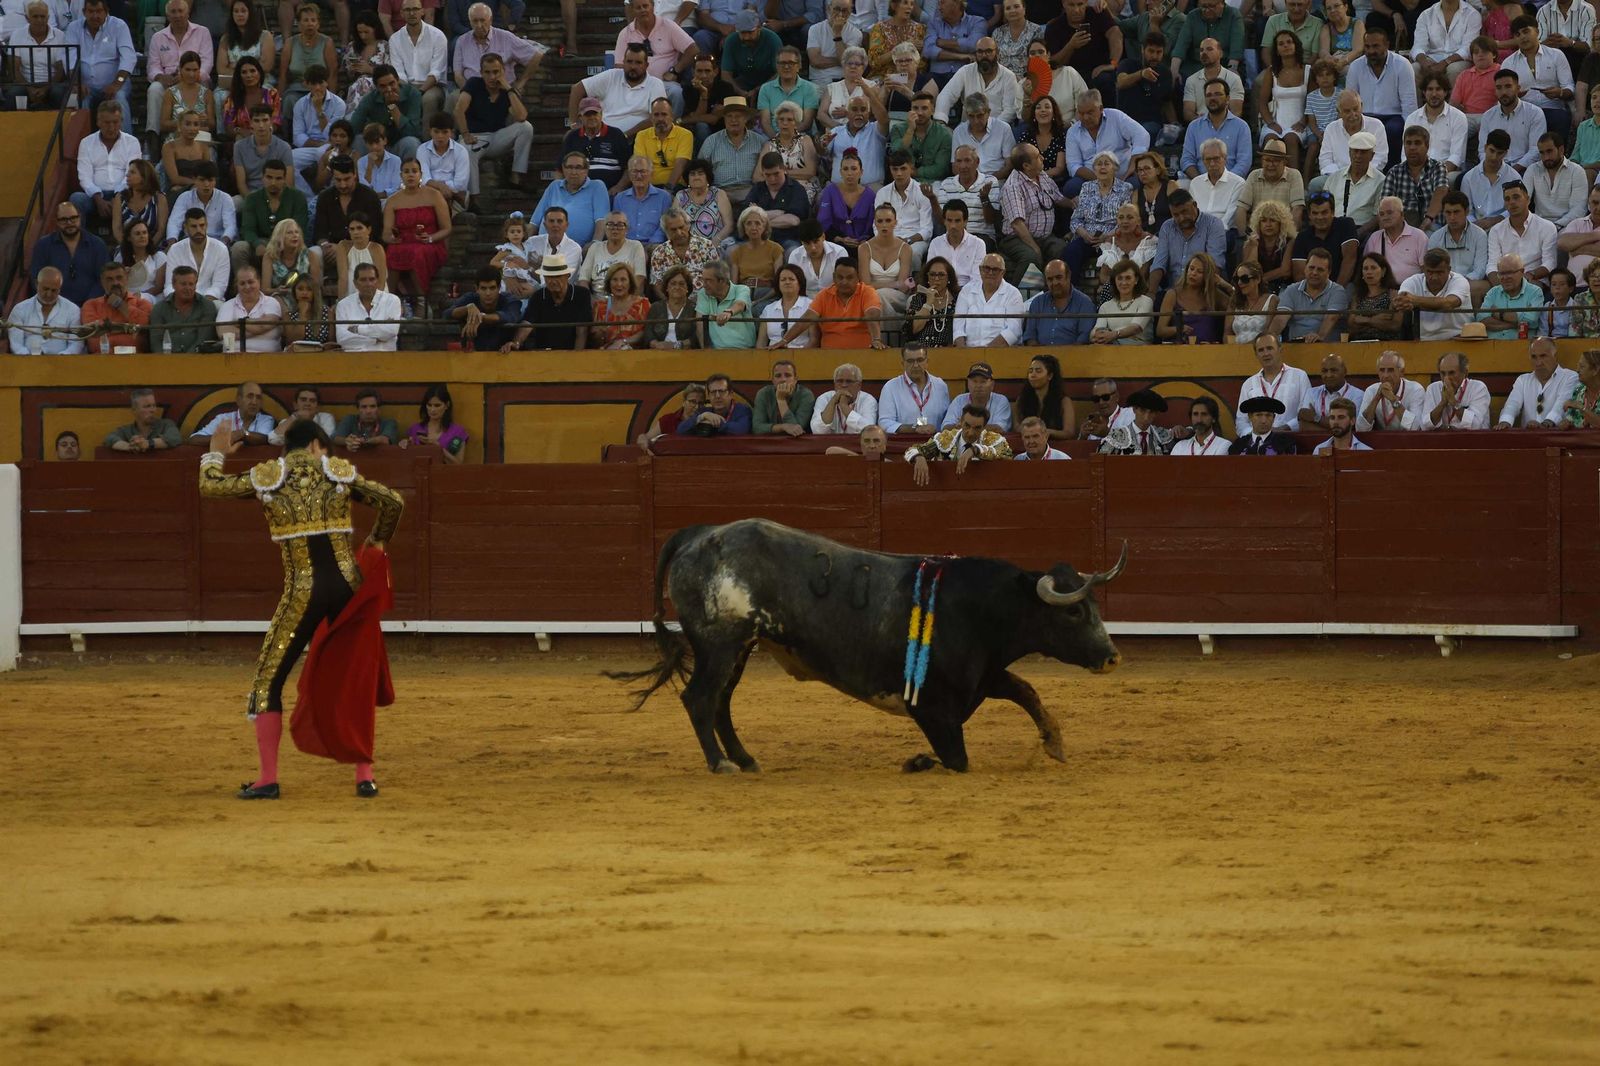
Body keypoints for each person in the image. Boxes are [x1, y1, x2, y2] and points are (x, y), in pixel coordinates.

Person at [199, 417, 404, 800]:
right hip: (349, 590)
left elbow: (209, 485)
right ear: (314, 445)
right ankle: (364, 776)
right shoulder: (338, 473)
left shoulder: (269, 476)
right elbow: (393, 502)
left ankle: (268, 779)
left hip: (303, 592)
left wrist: (215, 452)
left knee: (268, 682)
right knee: (355, 680)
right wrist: (376, 542)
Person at [454, 53, 533, 196]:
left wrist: (508, 88)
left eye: (496, 72)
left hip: (497, 137)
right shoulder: (474, 84)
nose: (492, 77)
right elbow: (459, 109)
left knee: (526, 127)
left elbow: (521, 116)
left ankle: (516, 177)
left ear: (503, 71)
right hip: (474, 137)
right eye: (487, 72)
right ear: (481, 73)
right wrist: (465, 133)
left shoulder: (507, 91)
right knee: (467, 151)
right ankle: (474, 196)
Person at [382, 158, 450, 311]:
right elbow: (386, 233)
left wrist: (431, 238)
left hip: (430, 243)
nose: (410, 175)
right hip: (403, 242)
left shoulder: (434, 195)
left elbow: (447, 228)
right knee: (391, 252)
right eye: (406, 172)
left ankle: (422, 303)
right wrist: (392, 238)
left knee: (416, 253)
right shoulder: (393, 200)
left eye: (414, 171)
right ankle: (389, 303)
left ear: (421, 174)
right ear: (401, 176)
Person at [145, 0, 214, 143]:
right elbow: (152, 67)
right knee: (154, 88)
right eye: (173, 12)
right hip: (168, 81)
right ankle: (153, 136)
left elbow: (207, 64)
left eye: (180, 11)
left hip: (195, 77)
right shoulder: (158, 37)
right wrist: (160, 76)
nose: (177, 15)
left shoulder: (202, 32)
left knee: (204, 83)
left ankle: (204, 133)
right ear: (167, 15)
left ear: (188, 13)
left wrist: (187, 76)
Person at [67, 0, 137, 133]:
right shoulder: (73, 28)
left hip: (116, 83)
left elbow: (128, 58)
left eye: (99, 11)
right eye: (91, 12)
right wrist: (77, 83)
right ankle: (80, 147)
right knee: (79, 100)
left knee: (120, 99)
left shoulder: (119, 26)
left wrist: (117, 84)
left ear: (106, 12)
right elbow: (69, 58)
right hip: (85, 84)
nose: (95, 16)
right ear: (84, 12)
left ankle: (128, 147)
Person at [571, 41, 666, 137]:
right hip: (602, 137)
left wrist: (623, 136)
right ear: (623, 62)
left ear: (646, 65)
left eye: (638, 63)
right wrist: (574, 124)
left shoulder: (655, 84)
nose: (633, 66)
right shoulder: (611, 76)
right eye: (629, 62)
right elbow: (576, 89)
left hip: (637, 139)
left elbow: (655, 118)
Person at [907, 403, 1014, 484]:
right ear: (960, 422)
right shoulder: (946, 438)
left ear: (984, 427)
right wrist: (919, 457)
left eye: (977, 428)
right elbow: (910, 451)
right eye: (967, 426)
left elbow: (1007, 454)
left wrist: (975, 449)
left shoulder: (992, 439)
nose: (971, 433)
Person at [31, 202, 109, 310]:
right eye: (63, 219)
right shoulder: (43, 245)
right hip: (53, 307)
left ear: (80, 218)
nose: (69, 223)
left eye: (73, 218)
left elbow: (103, 279)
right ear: (56, 222)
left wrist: (88, 305)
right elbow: (37, 277)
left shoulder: (97, 245)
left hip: (91, 307)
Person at [1235, 333, 1311, 436]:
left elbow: (1306, 413)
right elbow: (1241, 421)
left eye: (1269, 348)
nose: (1266, 353)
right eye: (1261, 350)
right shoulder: (1248, 384)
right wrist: (1256, 436)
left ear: (1280, 349)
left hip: (1290, 440)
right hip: (1256, 445)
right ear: (1256, 354)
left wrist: (1285, 428)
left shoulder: (1299, 376)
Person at [1496, 336, 1581, 428]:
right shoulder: (1523, 380)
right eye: (1534, 357)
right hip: (1528, 438)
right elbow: (1512, 405)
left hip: (1557, 436)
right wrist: (1505, 422)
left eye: (1543, 356)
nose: (1538, 363)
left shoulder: (1570, 377)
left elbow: (1561, 405)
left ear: (1555, 356)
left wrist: (1546, 423)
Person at [386, 1, 447, 126]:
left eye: (415, 9)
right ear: (402, 13)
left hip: (432, 86)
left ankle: (426, 141)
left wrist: (419, 92)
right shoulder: (395, 39)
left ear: (422, 11)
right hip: (405, 86)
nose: (412, 13)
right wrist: (409, 91)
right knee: (390, 97)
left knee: (428, 99)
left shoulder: (438, 36)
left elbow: (436, 72)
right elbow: (398, 73)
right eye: (407, 10)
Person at [512, 255, 592, 350]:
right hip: (543, 353)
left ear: (567, 276)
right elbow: (527, 323)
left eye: (557, 276)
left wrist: (577, 357)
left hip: (571, 352)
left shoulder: (582, 295)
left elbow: (582, 331)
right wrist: (516, 343)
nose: (553, 281)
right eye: (549, 277)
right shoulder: (538, 296)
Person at [1270, 247, 1349, 342]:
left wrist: (1319, 336)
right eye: (1311, 268)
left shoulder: (1337, 291)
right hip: (1295, 347)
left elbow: (1331, 318)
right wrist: (1269, 340)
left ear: (1329, 272)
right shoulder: (1291, 290)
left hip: (1326, 347)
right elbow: (1280, 320)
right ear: (1305, 268)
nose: (1315, 272)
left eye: (1320, 269)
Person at [952, 252, 1023, 347]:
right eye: (987, 268)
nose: (990, 273)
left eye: (995, 270)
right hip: (968, 352)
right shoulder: (967, 291)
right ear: (980, 269)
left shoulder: (1013, 294)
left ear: (1003, 272)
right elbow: (958, 327)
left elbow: (1013, 330)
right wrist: (964, 353)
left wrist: (986, 352)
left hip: (1000, 353)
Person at [1156, 252, 1228, 344]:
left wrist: (1227, 286)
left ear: (1207, 276)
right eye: (1191, 268)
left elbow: (1237, 306)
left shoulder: (1213, 295)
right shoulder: (1173, 294)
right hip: (1181, 351)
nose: (1193, 273)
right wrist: (1179, 329)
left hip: (1209, 351)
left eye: (1199, 271)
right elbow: (1160, 330)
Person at [878, 345, 950, 436]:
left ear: (927, 362)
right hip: (904, 444)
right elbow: (884, 423)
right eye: (910, 361)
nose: (916, 365)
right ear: (902, 364)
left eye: (920, 360)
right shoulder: (890, 387)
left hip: (936, 444)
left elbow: (946, 419)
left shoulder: (941, 386)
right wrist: (914, 428)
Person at [333, 261, 404, 350]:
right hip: (354, 359)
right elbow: (342, 339)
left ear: (377, 281)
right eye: (363, 280)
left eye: (372, 279)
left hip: (386, 358)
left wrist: (357, 329)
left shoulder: (392, 301)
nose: (368, 284)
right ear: (355, 283)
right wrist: (375, 340)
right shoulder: (343, 305)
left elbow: (391, 331)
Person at [1023, 259, 1094, 346]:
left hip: (1074, 356)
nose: (1055, 283)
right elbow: (1030, 336)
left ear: (1068, 277)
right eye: (1050, 279)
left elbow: (1084, 339)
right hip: (1040, 356)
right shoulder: (1037, 302)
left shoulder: (1084, 303)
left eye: (1059, 277)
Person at [147, 265, 219, 352]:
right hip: (167, 362)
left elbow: (203, 341)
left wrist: (185, 361)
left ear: (196, 285)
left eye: (191, 284)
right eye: (183, 284)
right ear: (173, 285)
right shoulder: (159, 309)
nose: (188, 288)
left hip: (198, 361)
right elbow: (156, 344)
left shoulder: (207, 306)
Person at [1478, 251, 1544, 338]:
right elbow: (1482, 320)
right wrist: (1514, 324)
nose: (1505, 278)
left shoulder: (1535, 292)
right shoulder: (1493, 292)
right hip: (1493, 347)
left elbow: (1531, 321)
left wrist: (1500, 314)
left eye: (1509, 272)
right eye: (1501, 274)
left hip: (1522, 347)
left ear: (1522, 272)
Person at [1355, 350, 1426, 430]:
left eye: (1391, 370)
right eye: (1382, 370)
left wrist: (1393, 400)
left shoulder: (1415, 390)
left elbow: (1415, 427)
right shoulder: (1371, 390)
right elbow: (1360, 428)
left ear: (1401, 372)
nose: (1385, 375)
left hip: (1407, 441)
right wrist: (1376, 398)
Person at [398, 383, 468, 463]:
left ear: (447, 405)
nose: (432, 410)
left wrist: (438, 448)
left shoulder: (458, 432)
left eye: (437, 405)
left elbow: (458, 464)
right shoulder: (415, 429)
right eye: (429, 405)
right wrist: (406, 444)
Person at [694, 261, 755, 349]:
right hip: (716, 353)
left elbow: (740, 304)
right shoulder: (703, 294)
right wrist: (705, 350)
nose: (704, 285)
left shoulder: (742, 289)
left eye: (708, 281)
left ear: (722, 281)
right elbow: (700, 323)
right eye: (703, 280)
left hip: (744, 350)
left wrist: (728, 313)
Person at [1425, 351, 1493, 429]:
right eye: (1443, 373)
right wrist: (1443, 403)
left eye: (1451, 373)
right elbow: (1425, 425)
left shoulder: (1478, 388)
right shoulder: (1433, 388)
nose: (1446, 378)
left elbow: (1475, 425)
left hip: (1473, 439)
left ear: (1465, 373)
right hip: (1442, 439)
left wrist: (1453, 402)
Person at [1092, 258, 1154, 343]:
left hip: (1140, 350)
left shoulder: (1146, 301)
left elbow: (1136, 328)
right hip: (1111, 348)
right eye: (1120, 278)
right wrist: (1096, 335)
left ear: (1136, 280)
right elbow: (1097, 329)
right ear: (1114, 281)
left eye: (1128, 278)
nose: (1124, 282)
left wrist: (1114, 335)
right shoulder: (1105, 306)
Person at [1298, 352, 1365, 431]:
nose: (1328, 375)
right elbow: (1303, 426)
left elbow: (1351, 426)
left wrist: (1315, 417)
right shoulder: (1311, 393)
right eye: (1324, 371)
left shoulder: (1358, 395)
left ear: (1345, 372)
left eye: (1334, 370)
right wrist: (1337, 431)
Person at [1347, 252, 1405, 342]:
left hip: (1386, 343)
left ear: (1383, 271)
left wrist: (1364, 320)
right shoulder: (1357, 296)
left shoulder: (1394, 294)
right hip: (1358, 343)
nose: (1369, 272)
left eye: (1373, 268)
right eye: (1365, 269)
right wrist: (1376, 320)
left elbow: (1395, 325)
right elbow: (1352, 327)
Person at [191, 381, 275, 442]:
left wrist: (242, 434)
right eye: (250, 396)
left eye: (258, 397)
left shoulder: (266, 420)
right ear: (238, 400)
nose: (254, 402)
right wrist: (223, 438)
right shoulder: (223, 418)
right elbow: (194, 438)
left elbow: (265, 439)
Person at [104, 388, 183, 453]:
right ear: (134, 410)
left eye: (154, 405)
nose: (153, 410)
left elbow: (175, 438)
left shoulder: (166, 424)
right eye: (147, 406)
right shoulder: (126, 430)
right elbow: (109, 438)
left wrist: (148, 443)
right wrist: (129, 447)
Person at [1098, 389, 1173, 455]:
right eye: (1142, 410)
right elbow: (1101, 464)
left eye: (1151, 412)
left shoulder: (1163, 436)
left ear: (1156, 414)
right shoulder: (1115, 437)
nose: (1146, 417)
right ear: (1134, 409)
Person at [751, 359, 816, 436]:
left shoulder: (806, 395)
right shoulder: (763, 393)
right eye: (778, 376)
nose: (783, 379)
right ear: (773, 380)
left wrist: (781, 400)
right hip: (769, 443)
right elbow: (757, 428)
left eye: (788, 375)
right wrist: (782, 427)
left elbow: (796, 429)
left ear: (795, 379)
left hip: (798, 444)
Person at [811, 362, 879, 434]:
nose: (844, 385)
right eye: (839, 381)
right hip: (829, 444)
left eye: (849, 381)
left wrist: (844, 406)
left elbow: (868, 430)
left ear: (859, 385)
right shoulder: (824, 398)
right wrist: (833, 401)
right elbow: (817, 431)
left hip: (857, 444)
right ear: (834, 384)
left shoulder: (868, 400)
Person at [636, 382, 707, 450]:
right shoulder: (668, 420)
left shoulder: (706, 422)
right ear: (684, 402)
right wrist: (643, 439)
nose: (697, 407)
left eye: (701, 403)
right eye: (692, 402)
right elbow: (646, 437)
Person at [644, 265, 700, 349]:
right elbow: (648, 335)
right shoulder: (656, 307)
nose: (677, 287)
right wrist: (657, 345)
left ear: (687, 288)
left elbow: (697, 337)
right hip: (658, 353)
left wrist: (677, 345)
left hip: (686, 354)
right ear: (666, 287)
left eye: (681, 284)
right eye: (673, 283)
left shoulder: (695, 309)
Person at [1229, 396, 1300, 454]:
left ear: (1273, 417)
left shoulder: (1285, 443)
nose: (1263, 421)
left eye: (1268, 415)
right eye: (1258, 415)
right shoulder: (1238, 445)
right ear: (1250, 417)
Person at [269, 386, 338, 446]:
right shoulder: (287, 422)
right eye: (303, 400)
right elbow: (273, 439)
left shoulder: (326, 418)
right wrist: (295, 417)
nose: (307, 404)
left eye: (312, 401)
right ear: (295, 405)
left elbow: (327, 441)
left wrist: (308, 420)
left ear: (317, 407)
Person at [281, 274, 334, 346]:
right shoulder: (288, 316)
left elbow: (332, 342)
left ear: (314, 292)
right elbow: (292, 342)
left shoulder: (328, 313)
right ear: (294, 292)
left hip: (323, 355)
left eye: (309, 289)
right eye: (300, 289)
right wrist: (302, 314)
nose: (304, 293)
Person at [1561, 347, 1600, 428]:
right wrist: (1565, 423)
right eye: (1578, 366)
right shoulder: (1578, 390)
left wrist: (1581, 407)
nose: (1577, 370)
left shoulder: (1577, 404)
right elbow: (1570, 419)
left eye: (1582, 366)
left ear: (1595, 370)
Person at [825, 424, 891, 458]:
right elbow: (830, 451)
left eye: (876, 441)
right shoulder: (854, 462)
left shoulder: (890, 465)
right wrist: (861, 459)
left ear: (885, 445)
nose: (872, 446)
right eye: (867, 441)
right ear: (861, 444)